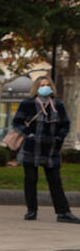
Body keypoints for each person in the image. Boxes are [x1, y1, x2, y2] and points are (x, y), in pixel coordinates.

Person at [14, 75, 78, 224]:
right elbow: (17, 122)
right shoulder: (27, 103)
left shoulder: (58, 105)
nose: (45, 87)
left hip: (51, 150)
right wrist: (28, 134)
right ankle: (31, 211)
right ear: (36, 87)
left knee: (55, 182)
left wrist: (59, 138)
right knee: (30, 180)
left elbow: (66, 124)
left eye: (47, 85)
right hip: (32, 148)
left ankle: (63, 212)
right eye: (42, 85)